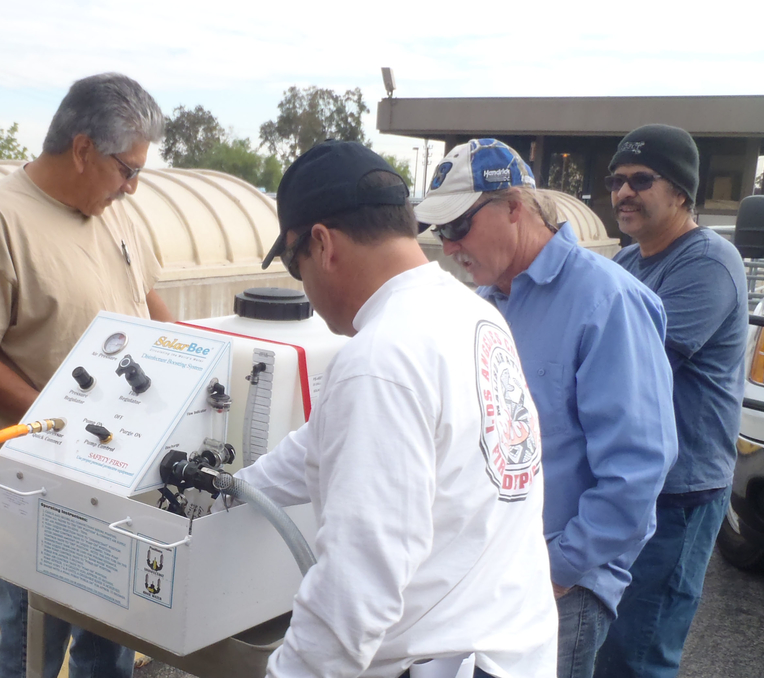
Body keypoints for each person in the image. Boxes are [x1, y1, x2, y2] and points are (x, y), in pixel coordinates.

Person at [238, 139, 558, 678]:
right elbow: (316, 447)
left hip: (440, 662)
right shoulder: (471, 314)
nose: (307, 290)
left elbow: (358, 580)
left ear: (322, 244)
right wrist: (232, 489)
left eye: (296, 267)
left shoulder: (380, 358)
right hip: (512, 649)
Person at [416, 139, 678, 678]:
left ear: (515, 207)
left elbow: (638, 469)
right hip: (486, 576)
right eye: (441, 232)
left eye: (458, 227)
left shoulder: (607, 301)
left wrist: (554, 570)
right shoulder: (485, 303)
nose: (448, 247)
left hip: (558, 588)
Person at [0, 72, 170, 678]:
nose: (132, 187)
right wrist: (64, 425)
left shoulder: (117, 215)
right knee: (33, 636)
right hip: (37, 475)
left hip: (117, 463)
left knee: (112, 627)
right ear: (82, 150)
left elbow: (155, 313)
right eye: (128, 170)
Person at [594, 125, 748, 678]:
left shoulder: (707, 264)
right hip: (631, 484)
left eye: (641, 179)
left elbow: (628, 368)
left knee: (640, 654)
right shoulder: (630, 262)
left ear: (682, 191)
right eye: (616, 180)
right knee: (603, 644)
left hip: (680, 495)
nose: (623, 192)